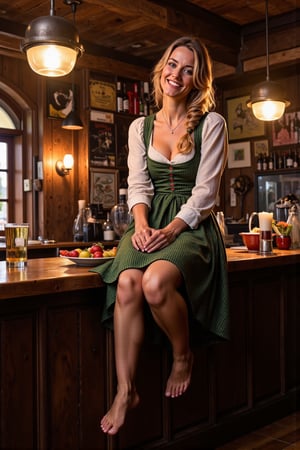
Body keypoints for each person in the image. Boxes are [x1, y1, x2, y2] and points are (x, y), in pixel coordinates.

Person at [92, 36, 229, 435]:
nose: (177, 74)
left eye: (188, 69)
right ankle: (125, 390)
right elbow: (138, 186)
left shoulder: (211, 123)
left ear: (198, 79)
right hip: (149, 221)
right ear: (161, 69)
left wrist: (170, 230)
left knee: (153, 283)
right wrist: (142, 224)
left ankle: (182, 355)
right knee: (128, 284)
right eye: (173, 64)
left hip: (191, 225)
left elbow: (206, 194)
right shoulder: (140, 127)